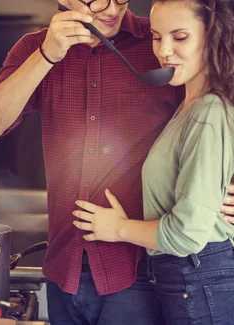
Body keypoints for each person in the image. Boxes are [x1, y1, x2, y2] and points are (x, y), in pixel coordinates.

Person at [0, 0, 234, 324]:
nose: (111, 8)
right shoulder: (34, 48)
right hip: (63, 266)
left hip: (140, 269)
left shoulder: (164, 44)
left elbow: (219, 109)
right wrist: (46, 56)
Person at [71, 0, 234, 324]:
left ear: (213, 36)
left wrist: (117, 229)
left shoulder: (208, 113)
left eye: (181, 37)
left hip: (199, 277)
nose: (165, 51)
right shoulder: (192, 106)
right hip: (191, 277)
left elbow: (186, 235)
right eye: (158, 37)